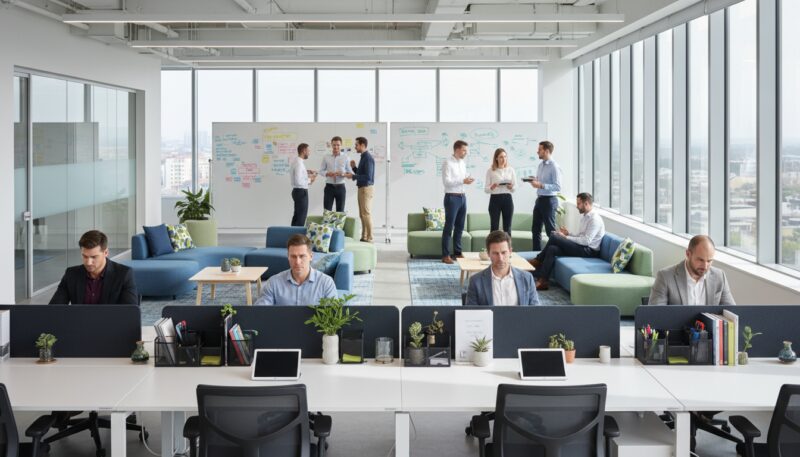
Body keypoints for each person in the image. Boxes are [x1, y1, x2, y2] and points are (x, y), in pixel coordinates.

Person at [530, 193, 604, 291]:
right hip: (582, 247)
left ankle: (539, 259)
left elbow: (586, 241)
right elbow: (580, 236)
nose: (577, 206)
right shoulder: (585, 216)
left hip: (589, 251)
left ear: (586, 203)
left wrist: (565, 237)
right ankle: (543, 281)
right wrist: (568, 234)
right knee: (552, 249)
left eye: (579, 204)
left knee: (554, 236)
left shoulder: (595, 219)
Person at [49, 230, 138, 304]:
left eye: (94, 257)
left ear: (106, 253)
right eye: (85, 256)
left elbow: (130, 313)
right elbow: (54, 309)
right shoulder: (71, 274)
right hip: (79, 324)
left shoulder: (123, 274)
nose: (88, 262)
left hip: (110, 324)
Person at [648, 235, 736, 306]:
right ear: (688, 254)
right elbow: (656, 316)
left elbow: (733, 313)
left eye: (709, 261)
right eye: (700, 260)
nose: (705, 266)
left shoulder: (719, 276)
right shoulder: (665, 277)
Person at [254, 234, 338, 306]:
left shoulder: (326, 282)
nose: (297, 262)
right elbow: (260, 313)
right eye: (293, 256)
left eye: (302, 256)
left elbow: (334, 317)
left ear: (311, 256)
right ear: (288, 257)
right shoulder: (273, 283)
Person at [465, 231, 539, 306]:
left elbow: (535, 312)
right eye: (495, 253)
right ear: (488, 254)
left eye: (503, 252)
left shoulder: (527, 278)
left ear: (510, 252)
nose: (500, 258)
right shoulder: (476, 281)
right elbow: (471, 314)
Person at [441, 140, 474, 264]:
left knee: (460, 226)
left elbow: (463, 177)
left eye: (466, 150)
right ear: (457, 149)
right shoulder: (447, 163)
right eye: (464, 150)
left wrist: (467, 178)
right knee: (449, 227)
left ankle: (458, 253)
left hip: (462, 197)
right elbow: (446, 182)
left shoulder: (462, 163)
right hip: (451, 198)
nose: (466, 152)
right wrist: (462, 180)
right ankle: (445, 255)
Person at [529, 141, 563, 251]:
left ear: (547, 151)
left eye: (540, 149)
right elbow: (540, 182)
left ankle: (555, 253)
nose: (537, 151)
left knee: (550, 231)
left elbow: (558, 187)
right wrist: (535, 181)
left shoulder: (554, 166)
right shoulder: (540, 165)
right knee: (535, 229)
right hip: (540, 199)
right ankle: (536, 255)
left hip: (549, 201)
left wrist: (541, 185)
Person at [346, 137, 375, 242]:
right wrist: (354, 168)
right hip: (362, 188)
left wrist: (353, 176)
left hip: (366, 189)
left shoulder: (368, 158)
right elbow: (362, 174)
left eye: (356, 145)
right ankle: (364, 236)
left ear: (362, 145)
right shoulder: (363, 157)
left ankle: (370, 237)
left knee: (366, 214)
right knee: (362, 214)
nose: (355, 147)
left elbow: (368, 177)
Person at [484, 148, 517, 237]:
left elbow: (515, 188)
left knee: (507, 227)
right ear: (496, 158)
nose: (503, 159)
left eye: (505, 157)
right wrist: (492, 187)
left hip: (507, 199)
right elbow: (486, 189)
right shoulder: (490, 171)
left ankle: (507, 249)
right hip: (495, 200)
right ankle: (492, 249)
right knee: (494, 227)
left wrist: (511, 187)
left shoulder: (511, 170)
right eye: (501, 157)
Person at [318, 136, 353, 212]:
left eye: (338, 145)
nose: (336, 147)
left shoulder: (346, 157)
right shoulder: (326, 157)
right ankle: (327, 224)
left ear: (341, 145)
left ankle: (339, 224)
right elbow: (321, 171)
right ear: (331, 145)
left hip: (341, 187)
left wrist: (343, 174)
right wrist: (327, 173)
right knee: (327, 211)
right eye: (334, 145)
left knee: (340, 211)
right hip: (329, 187)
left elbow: (351, 174)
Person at [290, 142, 316, 227]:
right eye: (308, 150)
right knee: (301, 218)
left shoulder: (297, 161)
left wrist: (306, 171)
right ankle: (298, 239)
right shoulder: (299, 163)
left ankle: (293, 237)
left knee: (297, 216)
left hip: (298, 192)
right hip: (301, 192)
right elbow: (298, 181)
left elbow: (298, 175)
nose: (309, 153)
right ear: (304, 151)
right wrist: (310, 179)